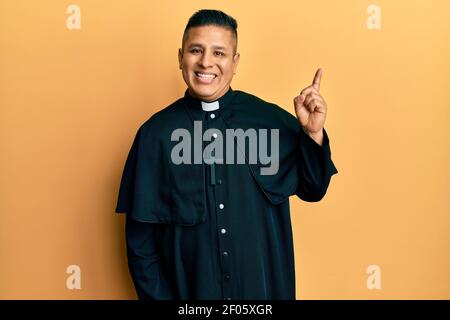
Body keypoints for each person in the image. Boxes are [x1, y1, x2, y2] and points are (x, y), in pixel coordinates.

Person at [115, 9, 338, 300]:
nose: (206, 62)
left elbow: (314, 189)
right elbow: (141, 247)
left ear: (235, 62)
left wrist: (312, 135)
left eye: (219, 53)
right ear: (181, 56)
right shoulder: (154, 135)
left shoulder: (270, 121)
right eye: (196, 50)